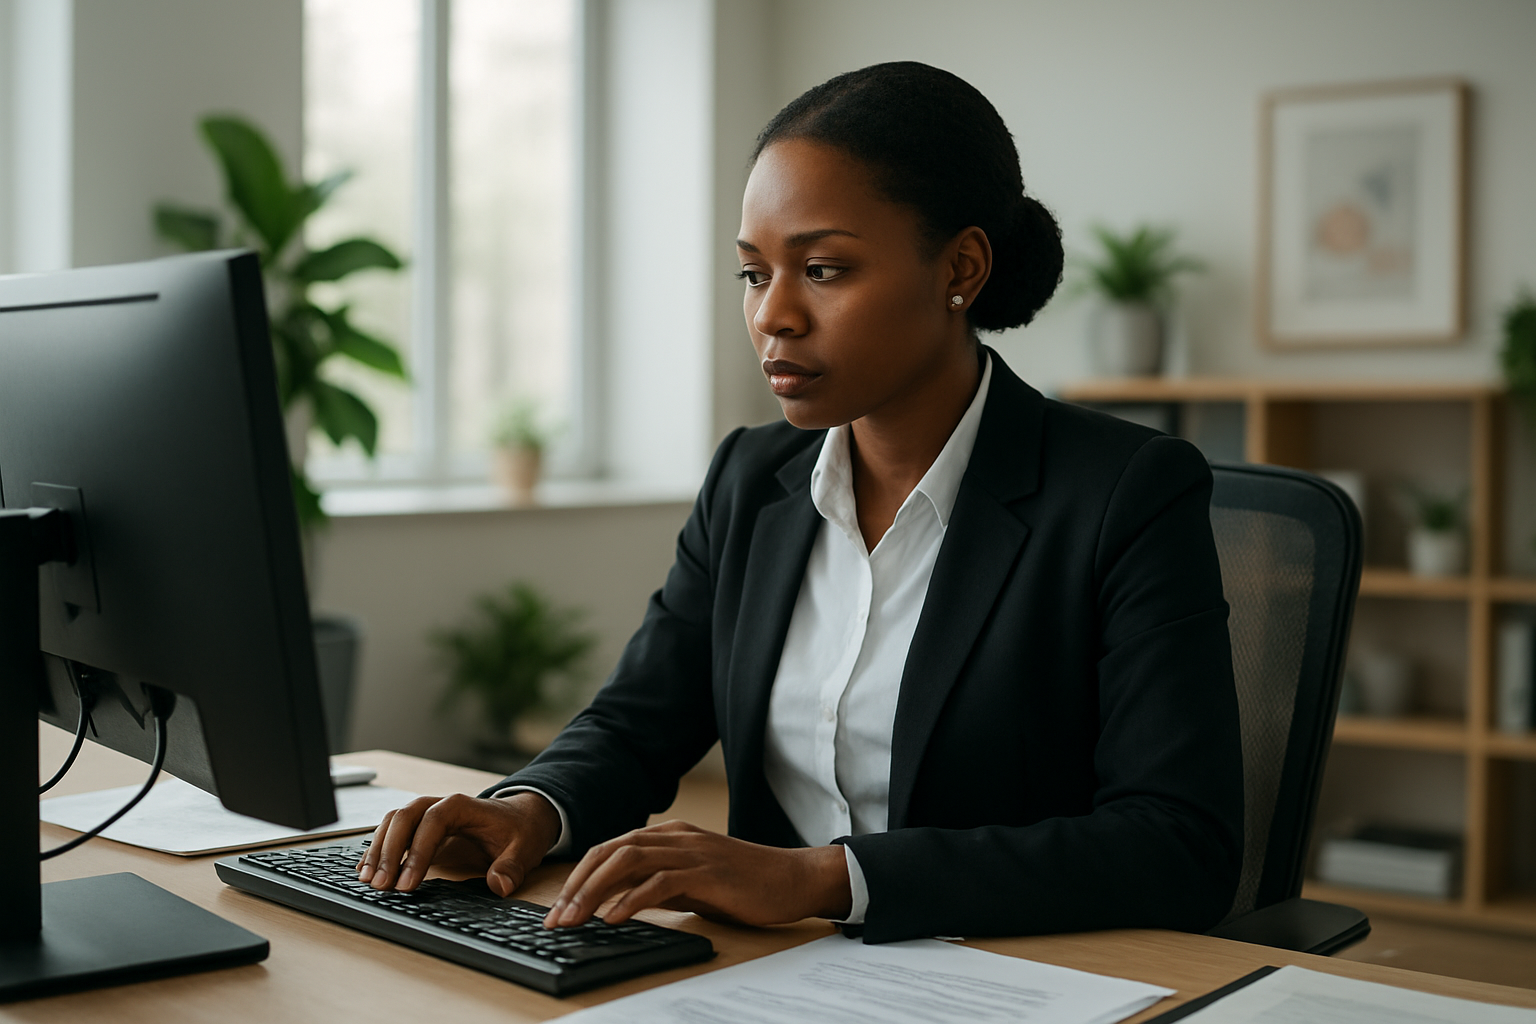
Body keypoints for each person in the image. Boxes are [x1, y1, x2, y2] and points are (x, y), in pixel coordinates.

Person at [358, 61, 1243, 944]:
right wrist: (531, 811)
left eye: (822, 269)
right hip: (767, 976)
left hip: (1007, 975)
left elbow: (1176, 846)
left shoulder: (1126, 493)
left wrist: (820, 877)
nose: (773, 315)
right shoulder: (752, 480)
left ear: (960, 269)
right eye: (753, 273)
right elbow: (638, 724)